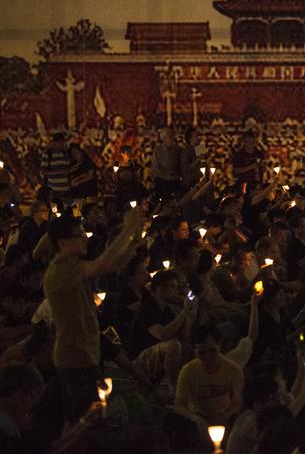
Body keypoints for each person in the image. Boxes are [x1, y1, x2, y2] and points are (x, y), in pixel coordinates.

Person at [43, 211, 142, 424]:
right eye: (79, 236)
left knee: (95, 415)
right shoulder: (60, 271)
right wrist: (128, 229)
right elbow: (103, 264)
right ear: (63, 242)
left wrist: (134, 241)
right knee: (84, 421)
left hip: (86, 352)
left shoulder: (72, 266)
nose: (85, 238)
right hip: (73, 357)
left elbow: (113, 264)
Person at [125, 270, 191, 397]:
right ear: (160, 289)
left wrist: (184, 310)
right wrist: (184, 313)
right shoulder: (148, 308)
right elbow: (162, 334)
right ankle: (174, 388)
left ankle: (183, 384)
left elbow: (185, 335)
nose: (175, 291)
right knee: (174, 345)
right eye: (172, 287)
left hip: (157, 353)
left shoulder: (167, 309)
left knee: (186, 344)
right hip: (140, 357)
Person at [175, 324, 244, 425]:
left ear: (219, 345)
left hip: (226, 418)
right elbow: (179, 405)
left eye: (213, 351)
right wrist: (196, 419)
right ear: (194, 351)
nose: (208, 357)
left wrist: (227, 416)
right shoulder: (188, 371)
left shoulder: (233, 369)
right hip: (197, 419)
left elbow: (240, 402)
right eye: (202, 353)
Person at [39, 132, 70, 204]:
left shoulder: (65, 154)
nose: (61, 145)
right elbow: (43, 171)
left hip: (66, 190)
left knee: (70, 211)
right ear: (54, 143)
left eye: (63, 143)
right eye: (60, 143)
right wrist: (60, 171)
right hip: (53, 190)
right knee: (55, 211)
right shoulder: (48, 154)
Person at [151, 127, 182, 198]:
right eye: (169, 137)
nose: (172, 139)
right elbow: (155, 166)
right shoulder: (157, 150)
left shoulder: (177, 149)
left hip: (175, 180)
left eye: (172, 136)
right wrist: (165, 175)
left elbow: (180, 164)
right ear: (164, 139)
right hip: (162, 181)